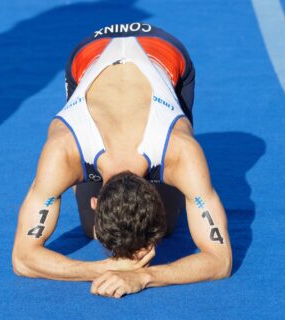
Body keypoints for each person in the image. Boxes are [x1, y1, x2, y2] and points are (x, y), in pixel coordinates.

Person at [12, 22, 232, 298]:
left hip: (166, 53)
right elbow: (22, 258)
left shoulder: (181, 152)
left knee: (170, 229)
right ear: (96, 202)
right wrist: (102, 267)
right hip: (90, 52)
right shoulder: (62, 151)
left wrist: (144, 276)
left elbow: (221, 261)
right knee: (89, 230)